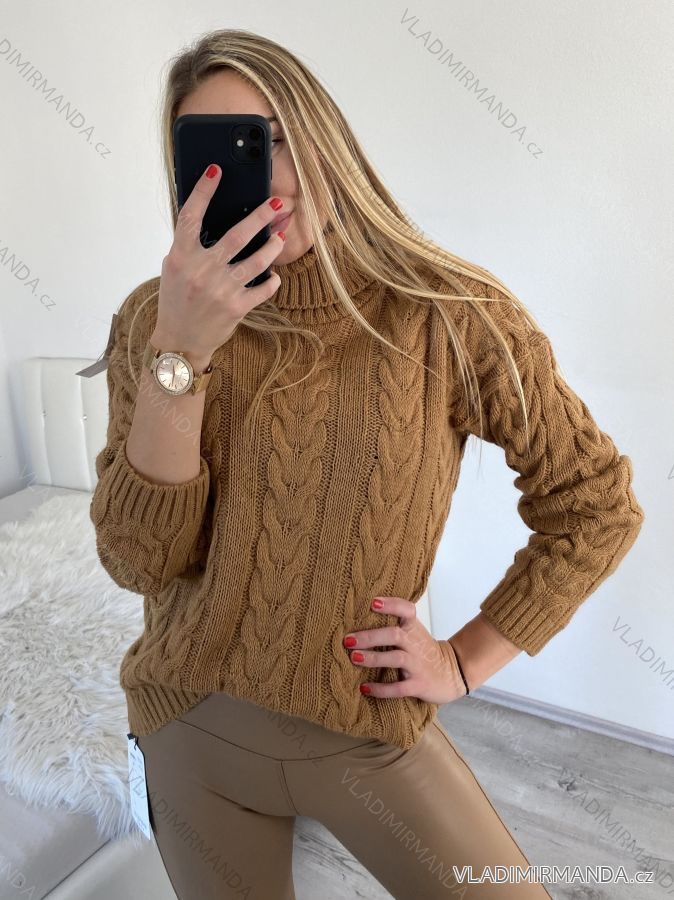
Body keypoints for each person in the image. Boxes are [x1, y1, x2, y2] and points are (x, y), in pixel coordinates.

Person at [89, 28, 645, 900]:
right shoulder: (150, 324)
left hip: (367, 731)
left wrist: (464, 662)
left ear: (325, 139)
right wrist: (181, 356)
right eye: (216, 156)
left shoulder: (448, 313)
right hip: (189, 725)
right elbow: (138, 562)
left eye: (273, 138)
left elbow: (595, 502)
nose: (261, 177)